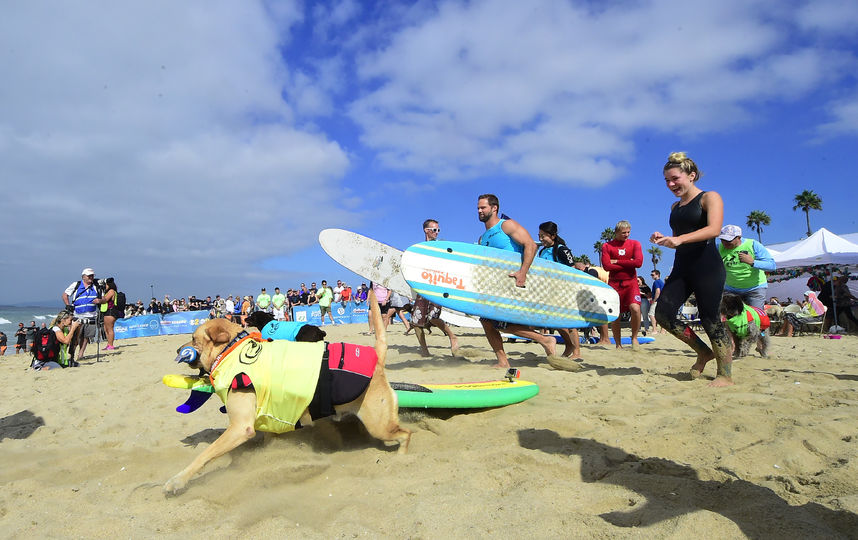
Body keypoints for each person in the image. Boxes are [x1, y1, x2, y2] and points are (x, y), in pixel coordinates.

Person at [651, 152, 733, 387]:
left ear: (692, 175)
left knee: (710, 320)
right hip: (682, 266)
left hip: (707, 266)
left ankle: (725, 374)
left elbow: (714, 229)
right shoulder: (675, 206)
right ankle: (703, 351)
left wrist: (680, 239)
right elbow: (680, 238)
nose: (670, 184)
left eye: (675, 178)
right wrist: (665, 238)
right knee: (663, 315)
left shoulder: (709, 197)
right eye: (667, 180)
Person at [476, 194, 556, 368]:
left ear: (494, 208)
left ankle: (546, 340)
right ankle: (503, 361)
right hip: (493, 287)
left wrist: (523, 272)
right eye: (478, 208)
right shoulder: (483, 238)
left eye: (483, 207)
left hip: (511, 283)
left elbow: (531, 245)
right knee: (487, 322)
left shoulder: (506, 225)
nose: (480, 211)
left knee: (503, 324)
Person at [411, 219, 460, 357]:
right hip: (423, 287)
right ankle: (424, 351)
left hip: (437, 285)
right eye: (434, 230)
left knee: (433, 317)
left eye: (438, 230)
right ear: (426, 230)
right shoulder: (419, 248)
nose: (437, 233)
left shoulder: (441, 246)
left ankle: (452, 336)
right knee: (416, 321)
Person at [537, 221, 581, 359]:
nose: (540, 239)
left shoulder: (562, 249)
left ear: (553, 235)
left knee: (569, 323)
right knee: (556, 322)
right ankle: (569, 346)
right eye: (539, 235)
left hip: (564, 290)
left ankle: (576, 352)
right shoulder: (542, 251)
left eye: (543, 236)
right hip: (548, 291)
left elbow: (572, 270)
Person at [601, 220, 644, 349]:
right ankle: (618, 344)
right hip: (614, 283)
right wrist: (628, 262)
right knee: (616, 314)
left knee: (635, 309)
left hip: (631, 282)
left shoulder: (635, 244)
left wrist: (617, 261)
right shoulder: (607, 246)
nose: (626, 235)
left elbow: (638, 263)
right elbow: (607, 266)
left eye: (628, 232)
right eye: (623, 233)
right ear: (616, 232)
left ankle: (634, 337)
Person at [718, 224, 776, 309]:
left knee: (755, 317)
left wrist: (752, 262)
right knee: (731, 318)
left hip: (755, 289)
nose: (725, 243)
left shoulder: (753, 244)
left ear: (739, 237)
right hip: (731, 289)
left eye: (728, 240)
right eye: (722, 239)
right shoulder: (719, 248)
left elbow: (772, 266)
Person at [62, 268, 100, 359]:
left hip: (91, 315)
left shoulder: (96, 286)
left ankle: (81, 354)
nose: (91, 277)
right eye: (89, 275)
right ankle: (71, 355)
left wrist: (100, 301)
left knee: (86, 337)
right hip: (77, 315)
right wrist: (68, 305)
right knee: (75, 336)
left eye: (92, 275)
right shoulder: (76, 285)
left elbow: (103, 298)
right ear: (83, 277)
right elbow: (65, 295)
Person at [573, 260, 612, 345]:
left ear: (580, 269)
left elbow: (592, 286)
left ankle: (605, 339)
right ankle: (603, 338)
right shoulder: (593, 269)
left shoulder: (591, 271)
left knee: (601, 314)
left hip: (608, 289)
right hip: (609, 289)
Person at [99, 277, 123, 350]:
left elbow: (105, 300)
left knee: (109, 329)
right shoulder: (110, 291)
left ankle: (111, 345)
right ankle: (109, 344)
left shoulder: (111, 291)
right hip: (107, 311)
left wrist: (101, 295)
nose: (104, 286)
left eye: (105, 285)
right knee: (106, 329)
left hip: (111, 311)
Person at [649, 270, 665, 334]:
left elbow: (658, 291)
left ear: (657, 275)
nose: (652, 276)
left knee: (651, 314)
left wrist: (654, 300)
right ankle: (663, 330)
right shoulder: (661, 282)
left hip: (657, 301)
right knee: (661, 315)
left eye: (653, 275)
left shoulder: (656, 282)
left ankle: (654, 330)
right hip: (662, 301)